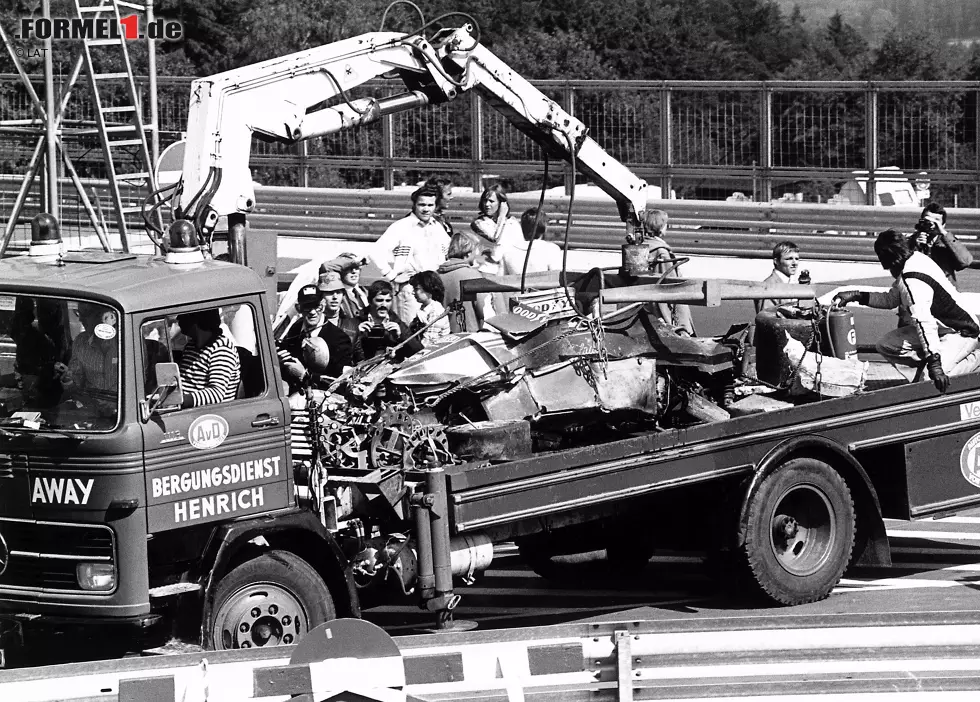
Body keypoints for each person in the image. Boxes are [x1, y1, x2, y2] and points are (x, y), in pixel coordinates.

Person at [833, 229, 980, 393]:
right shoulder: (914, 260)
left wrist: (935, 362)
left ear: (891, 261)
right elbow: (890, 299)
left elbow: (924, 323)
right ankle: (922, 378)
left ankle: (974, 361)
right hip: (942, 329)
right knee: (887, 345)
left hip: (962, 332)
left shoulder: (912, 280)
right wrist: (857, 295)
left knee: (932, 380)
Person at [370, 184, 450, 322]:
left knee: (433, 333)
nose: (426, 209)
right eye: (421, 204)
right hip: (410, 291)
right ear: (414, 205)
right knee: (410, 334)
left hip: (434, 290)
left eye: (430, 205)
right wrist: (393, 276)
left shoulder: (438, 227)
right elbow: (375, 252)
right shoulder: (401, 226)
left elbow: (448, 253)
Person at [277, 282, 353, 393]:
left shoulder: (339, 338)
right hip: (296, 400)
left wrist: (305, 376)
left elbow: (342, 382)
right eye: (307, 307)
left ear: (323, 305)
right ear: (299, 308)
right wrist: (280, 362)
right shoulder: (296, 329)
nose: (312, 312)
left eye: (317, 306)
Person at [644, 209, 695, 336]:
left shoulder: (644, 246)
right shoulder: (662, 252)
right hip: (662, 303)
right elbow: (672, 283)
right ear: (660, 227)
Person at [176, 309, 241, 408]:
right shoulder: (191, 346)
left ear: (196, 319)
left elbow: (215, 394)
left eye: (183, 315)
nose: (178, 318)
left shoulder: (221, 349)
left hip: (207, 414)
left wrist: (179, 401)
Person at [353, 280, 422, 363]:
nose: (384, 305)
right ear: (370, 301)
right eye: (379, 300)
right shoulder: (358, 321)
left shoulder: (396, 322)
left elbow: (418, 351)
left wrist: (400, 337)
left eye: (388, 301)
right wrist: (355, 335)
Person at [61, 302, 119, 394]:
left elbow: (137, 381)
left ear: (111, 317)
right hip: (90, 402)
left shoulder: (128, 340)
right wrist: (68, 378)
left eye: (87, 314)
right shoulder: (81, 341)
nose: (81, 319)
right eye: (79, 314)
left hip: (121, 403)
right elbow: (76, 377)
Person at [909, 202, 972, 287]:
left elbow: (965, 262)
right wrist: (915, 245)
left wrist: (944, 234)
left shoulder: (948, 243)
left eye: (936, 221)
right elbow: (899, 268)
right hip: (919, 290)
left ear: (943, 225)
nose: (931, 224)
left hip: (945, 292)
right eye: (928, 220)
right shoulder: (912, 241)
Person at [438, 232, 488, 333]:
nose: (476, 255)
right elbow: (484, 311)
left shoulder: (436, 275)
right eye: (475, 251)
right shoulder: (472, 276)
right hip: (467, 336)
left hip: (440, 337)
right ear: (468, 253)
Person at [500, 208, 563, 277]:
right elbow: (558, 279)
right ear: (544, 228)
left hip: (516, 287)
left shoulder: (507, 251)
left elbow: (501, 280)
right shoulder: (552, 249)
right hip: (544, 287)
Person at [470, 184, 523, 263]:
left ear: (501, 203)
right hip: (486, 268)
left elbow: (520, 246)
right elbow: (495, 239)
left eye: (491, 201)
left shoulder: (512, 223)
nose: (487, 204)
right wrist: (501, 216)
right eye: (485, 200)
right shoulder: (478, 223)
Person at [755, 241, 802, 314]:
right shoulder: (768, 286)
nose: (794, 263)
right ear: (776, 261)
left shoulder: (793, 282)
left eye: (797, 259)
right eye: (789, 259)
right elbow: (766, 319)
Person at [408, 270, 450, 346]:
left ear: (429, 288)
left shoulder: (436, 311)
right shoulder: (425, 308)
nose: (413, 292)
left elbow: (428, 342)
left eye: (416, 289)